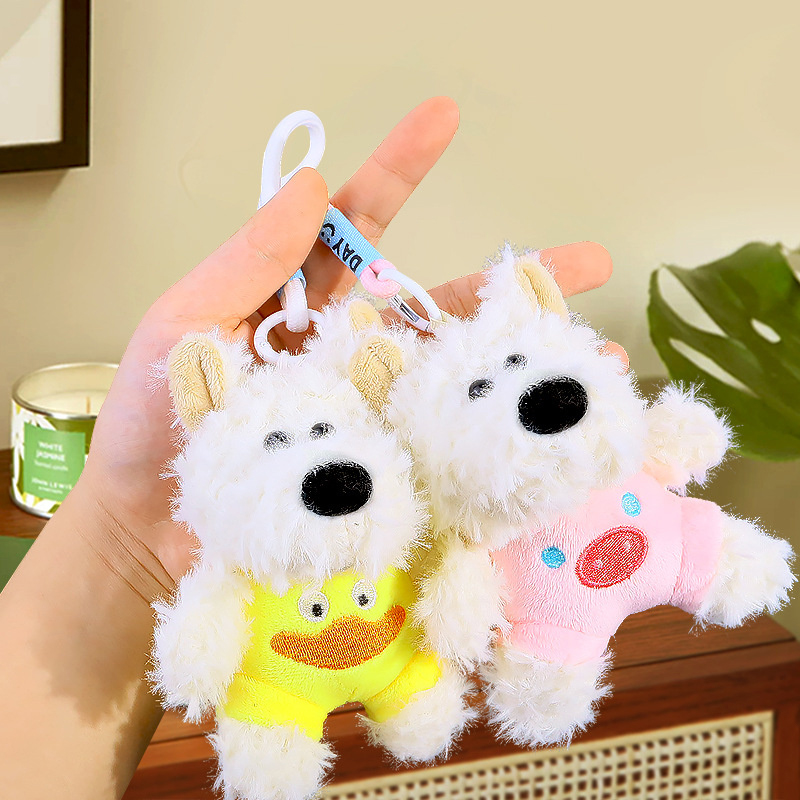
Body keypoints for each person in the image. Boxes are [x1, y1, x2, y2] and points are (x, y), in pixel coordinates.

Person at [0, 97, 621, 799]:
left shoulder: (396, 501)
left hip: (395, 648)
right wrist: (127, 557)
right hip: (278, 680)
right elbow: (202, 630)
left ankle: (408, 698)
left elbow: (443, 558)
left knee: (421, 695)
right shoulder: (231, 546)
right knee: (274, 729)